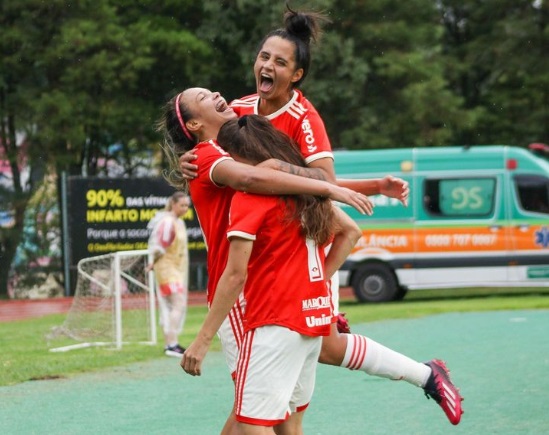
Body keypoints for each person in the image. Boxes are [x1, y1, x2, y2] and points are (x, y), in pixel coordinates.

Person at [178, 5, 463, 426]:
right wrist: (190, 158)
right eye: (264, 56)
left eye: (280, 61)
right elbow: (215, 144)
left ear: (296, 75)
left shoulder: (304, 119)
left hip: (292, 260)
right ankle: (422, 372)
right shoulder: (240, 109)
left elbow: (323, 184)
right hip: (280, 265)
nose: (267, 65)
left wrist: (320, 273)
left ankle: (337, 319)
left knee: (258, 410)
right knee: (295, 395)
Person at [157, 86, 372, 434]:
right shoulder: (208, 154)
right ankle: (422, 375)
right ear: (195, 123)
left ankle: (421, 374)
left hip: (261, 292)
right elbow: (254, 177)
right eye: (202, 97)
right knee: (259, 414)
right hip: (241, 296)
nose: (215, 92)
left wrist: (371, 185)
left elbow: (281, 168)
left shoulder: (233, 138)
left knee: (264, 411)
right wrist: (329, 188)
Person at [146, 192, 190, 357]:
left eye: (187, 206)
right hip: (167, 269)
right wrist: (153, 262)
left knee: (175, 305)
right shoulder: (167, 222)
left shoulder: (179, 222)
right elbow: (159, 246)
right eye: (182, 205)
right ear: (173, 204)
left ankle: (172, 342)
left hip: (175, 269)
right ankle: (171, 343)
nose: (185, 209)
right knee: (177, 304)